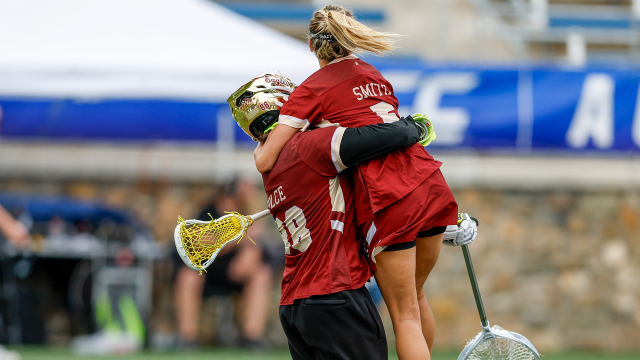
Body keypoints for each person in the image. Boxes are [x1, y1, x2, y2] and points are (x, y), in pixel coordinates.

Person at [249, 6, 476, 360]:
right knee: (415, 295)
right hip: (430, 181)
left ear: (311, 46)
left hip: (388, 195)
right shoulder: (374, 74)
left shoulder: (310, 89)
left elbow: (266, 159)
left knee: (405, 316)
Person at [227, 73, 429, 360]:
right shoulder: (310, 145)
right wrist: (416, 125)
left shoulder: (271, 165)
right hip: (336, 294)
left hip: (295, 306)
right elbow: (398, 135)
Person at [173, 179, 273, 350]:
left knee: (261, 275)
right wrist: (238, 239)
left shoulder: (248, 215)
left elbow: (255, 249)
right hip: (204, 272)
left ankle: (252, 337)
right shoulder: (207, 213)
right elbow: (201, 242)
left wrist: (250, 254)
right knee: (187, 277)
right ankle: (187, 338)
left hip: (233, 273)